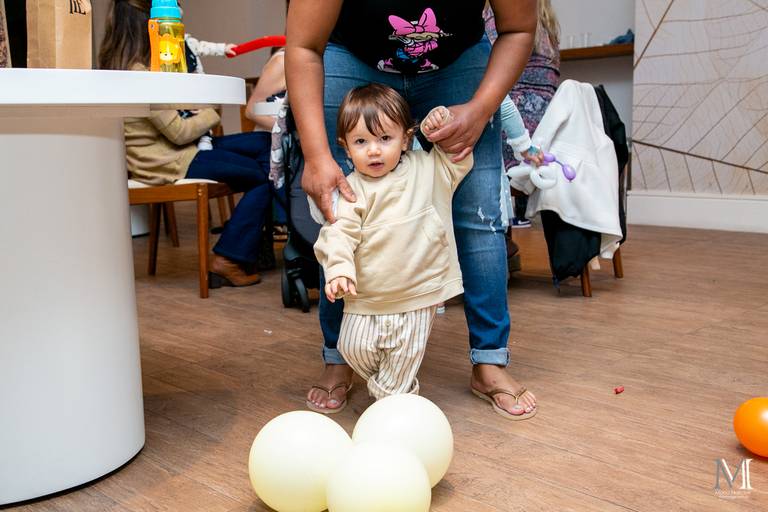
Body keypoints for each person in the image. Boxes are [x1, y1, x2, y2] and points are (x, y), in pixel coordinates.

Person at [287, 0, 539, 420]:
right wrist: (316, 156)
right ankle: (339, 357)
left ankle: (489, 360)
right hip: (351, 56)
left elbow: (518, 29)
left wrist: (480, 110)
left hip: (458, 62)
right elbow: (303, 46)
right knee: (339, 211)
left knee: (479, 217)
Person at [312, 84, 471, 407]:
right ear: (345, 147)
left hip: (419, 291)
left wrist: (440, 122)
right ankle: (394, 393)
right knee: (352, 348)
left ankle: (393, 407)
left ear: (406, 139)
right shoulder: (351, 189)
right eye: (361, 142)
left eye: (385, 138)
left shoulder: (426, 168)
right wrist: (339, 270)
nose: (373, 150)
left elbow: (456, 159)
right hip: (366, 297)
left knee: (400, 364)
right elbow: (338, 233)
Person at [99, 0, 272, 288]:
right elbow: (180, 131)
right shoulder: (137, 73)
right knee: (263, 177)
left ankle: (251, 239)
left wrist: (197, 110)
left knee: (267, 145)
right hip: (169, 160)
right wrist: (210, 111)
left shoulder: (136, 66)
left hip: (183, 150)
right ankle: (230, 256)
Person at [485, 0, 561, 229]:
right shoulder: (549, 27)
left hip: (518, 118)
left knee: (487, 116)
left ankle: (498, 211)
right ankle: (519, 210)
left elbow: (488, 63)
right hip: (548, 122)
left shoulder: (497, 19)